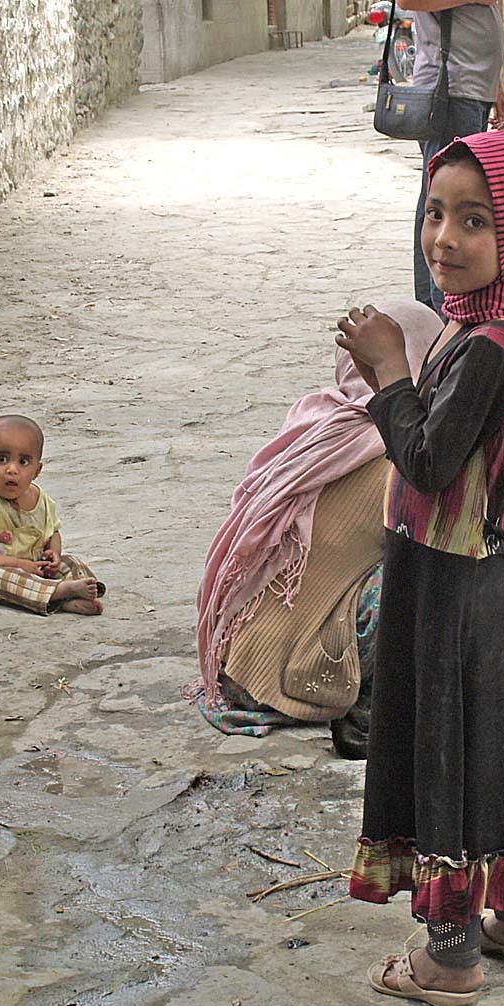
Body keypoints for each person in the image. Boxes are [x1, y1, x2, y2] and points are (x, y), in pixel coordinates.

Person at [335, 130, 504, 1006]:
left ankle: (449, 956)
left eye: (475, 220)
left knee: (446, 749)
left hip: (452, 586)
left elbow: (428, 463)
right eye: (434, 214)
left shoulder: (487, 347)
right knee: (500, 747)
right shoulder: (499, 330)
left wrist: (388, 373)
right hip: (489, 581)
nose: (444, 238)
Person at [191, 299, 443, 753]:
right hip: (290, 679)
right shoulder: (399, 454)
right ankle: (370, 715)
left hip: (232, 666)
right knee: (428, 574)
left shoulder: (317, 416)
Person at [394, 0, 504, 312]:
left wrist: (495, 85)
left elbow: (478, 16)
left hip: (473, 89)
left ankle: (449, 305)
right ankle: (437, 310)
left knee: (456, 198)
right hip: (447, 89)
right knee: (443, 201)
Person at [0, 415, 105, 615]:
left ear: (37, 470)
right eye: (2, 459)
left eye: (24, 461)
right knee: (7, 578)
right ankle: (60, 592)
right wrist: (17, 564)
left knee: (71, 561)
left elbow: (53, 532)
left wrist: (54, 554)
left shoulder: (41, 500)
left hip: (32, 568)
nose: (12, 469)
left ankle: (67, 599)